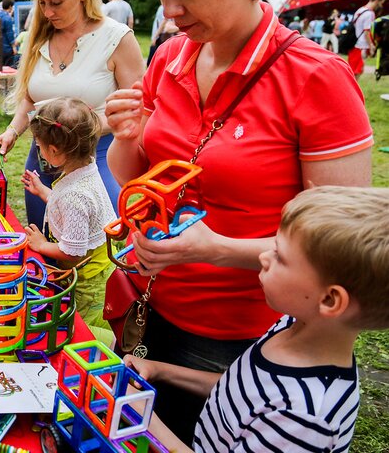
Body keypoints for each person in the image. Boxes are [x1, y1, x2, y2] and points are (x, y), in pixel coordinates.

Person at [103, 0, 373, 440]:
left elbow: (338, 253)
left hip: (238, 336)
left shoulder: (315, 78)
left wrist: (213, 249)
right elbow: (133, 175)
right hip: (150, 304)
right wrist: (127, 136)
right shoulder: (170, 57)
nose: (170, 10)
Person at [126, 186, 389, 452]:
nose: (263, 257)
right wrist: (161, 370)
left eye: (280, 257)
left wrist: (145, 420)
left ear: (330, 300)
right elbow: (243, 390)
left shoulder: (304, 417)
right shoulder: (293, 324)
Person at [0, 0, 145, 230]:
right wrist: (13, 131)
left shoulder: (117, 38)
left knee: (90, 252)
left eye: (56, 3)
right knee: (44, 247)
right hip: (40, 162)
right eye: (42, 3)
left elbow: (138, 108)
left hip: (95, 160)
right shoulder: (39, 37)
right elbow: (30, 96)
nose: (48, 12)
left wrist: (83, 129)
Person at [21, 97, 117, 342]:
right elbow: (77, 214)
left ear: (54, 151)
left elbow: (73, 251)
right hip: (100, 269)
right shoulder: (86, 169)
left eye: (39, 146)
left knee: (81, 333)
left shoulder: (74, 194)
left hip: (88, 285)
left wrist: (41, 245)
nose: (39, 151)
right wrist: (44, 192)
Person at [349, 0, 386, 79]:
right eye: (382, 2)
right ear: (377, 1)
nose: (381, 5)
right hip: (360, 46)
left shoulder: (360, 10)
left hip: (354, 43)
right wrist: (371, 45)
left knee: (354, 70)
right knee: (356, 72)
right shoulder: (370, 14)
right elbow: (367, 32)